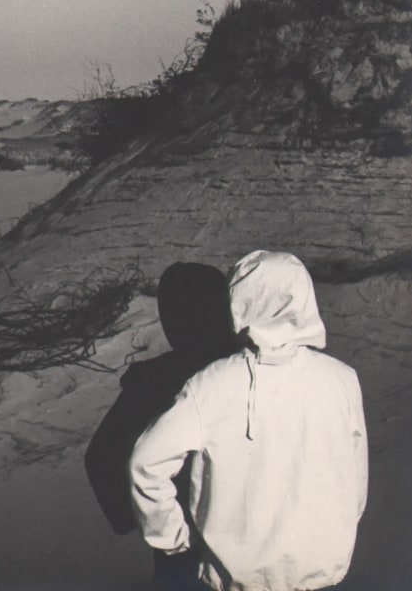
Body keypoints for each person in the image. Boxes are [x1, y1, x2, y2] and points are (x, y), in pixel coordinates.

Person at [129, 250, 368, 591]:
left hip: (236, 580)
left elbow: (146, 463)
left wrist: (172, 539)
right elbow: (355, 479)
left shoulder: (211, 383)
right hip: (322, 577)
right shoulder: (341, 379)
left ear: (239, 301)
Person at [85, 262, 238, 588]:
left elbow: (102, 457)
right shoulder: (263, 367)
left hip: (184, 536)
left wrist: (141, 519)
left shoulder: (154, 380)